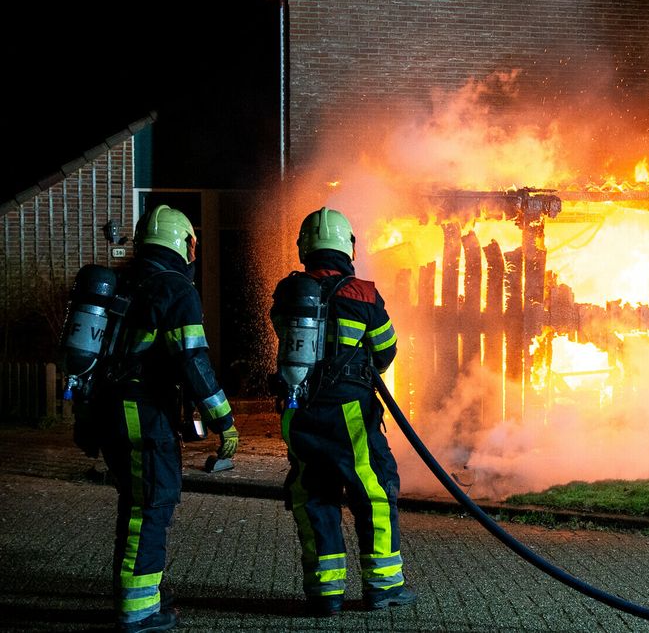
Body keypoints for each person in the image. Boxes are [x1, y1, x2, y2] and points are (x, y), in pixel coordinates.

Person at [80, 204, 238, 632]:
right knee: (150, 505)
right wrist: (224, 419)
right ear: (182, 242)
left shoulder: (127, 281)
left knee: (137, 503)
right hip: (142, 413)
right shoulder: (174, 288)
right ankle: (138, 610)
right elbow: (193, 360)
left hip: (108, 409)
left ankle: (143, 590)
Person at [272, 207, 414, 616]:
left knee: (314, 495)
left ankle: (325, 594)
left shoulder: (289, 292)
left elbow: (286, 336)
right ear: (348, 246)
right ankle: (384, 585)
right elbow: (386, 351)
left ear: (305, 247)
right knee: (374, 491)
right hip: (350, 410)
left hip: (299, 409)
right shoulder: (364, 294)